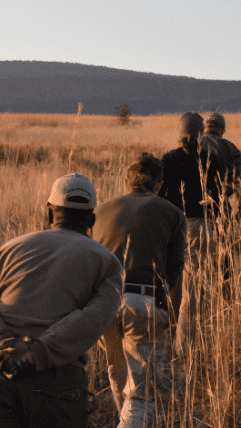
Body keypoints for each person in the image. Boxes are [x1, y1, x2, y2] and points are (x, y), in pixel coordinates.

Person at [0, 173, 123, 428]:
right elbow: (94, 318)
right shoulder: (107, 261)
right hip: (54, 383)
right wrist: (35, 354)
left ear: (49, 213)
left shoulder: (10, 247)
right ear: (91, 220)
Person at [92, 153, 187, 428]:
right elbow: (175, 271)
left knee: (117, 373)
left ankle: (128, 420)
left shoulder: (99, 211)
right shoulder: (172, 213)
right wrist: (172, 317)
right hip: (145, 302)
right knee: (141, 394)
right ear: (159, 183)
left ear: (127, 180)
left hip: (104, 303)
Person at [157, 112, 221, 353]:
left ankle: (163, 342)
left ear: (180, 133)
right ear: (200, 134)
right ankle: (183, 346)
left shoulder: (169, 159)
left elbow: (159, 195)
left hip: (173, 225)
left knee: (169, 283)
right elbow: (217, 196)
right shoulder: (210, 160)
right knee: (191, 292)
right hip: (201, 226)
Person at [200, 112, 241, 220]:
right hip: (220, 208)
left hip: (190, 209)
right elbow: (239, 183)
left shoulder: (192, 144)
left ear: (204, 128)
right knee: (223, 236)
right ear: (222, 130)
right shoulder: (231, 149)